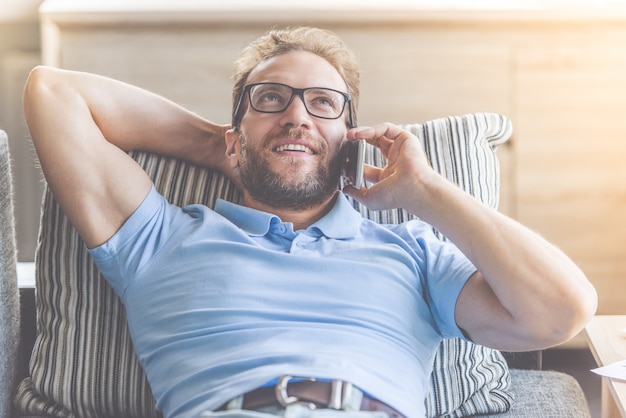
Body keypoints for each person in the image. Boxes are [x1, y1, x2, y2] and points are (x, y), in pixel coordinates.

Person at [23, 26, 596, 418]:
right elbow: (53, 92)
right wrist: (237, 147)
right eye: (271, 99)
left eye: (324, 104)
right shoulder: (160, 239)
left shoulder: (412, 251)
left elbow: (561, 310)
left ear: (349, 139)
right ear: (231, 136)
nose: (297, 115)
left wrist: (426, 191)